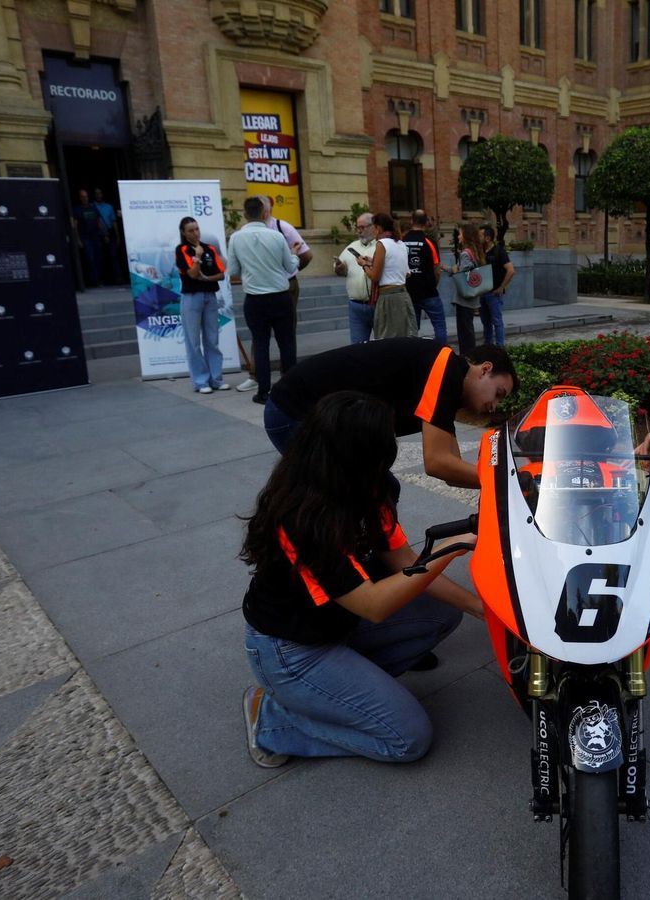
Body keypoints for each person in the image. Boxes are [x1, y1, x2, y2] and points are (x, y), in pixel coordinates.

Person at [240, 391, 484, 767]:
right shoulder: (304, 519)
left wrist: (485, 611)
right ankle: (273, 720)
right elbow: (373, 604)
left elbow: (404, 561)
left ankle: (340, 694)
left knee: (443, 612)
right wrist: (450, 547)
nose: (393, 446)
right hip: (293, 649)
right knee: (408, 739)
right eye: (384, 441)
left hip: (338, 625)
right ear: (356, 454)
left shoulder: (371, 488)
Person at [261, 339, 517, 488]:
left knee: (378, 491)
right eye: (499, 393)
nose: (495, 406)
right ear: (485, 369)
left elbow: (452, 469)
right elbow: (437, 463)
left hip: (317, 416)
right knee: (359, 492)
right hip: (294, 411)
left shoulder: (447, 380)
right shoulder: (446, 368)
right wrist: (508, 483)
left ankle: (370, 564)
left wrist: (502, 485)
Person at [228, 196, 302, 405]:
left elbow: (232, 271)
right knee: (286, 343)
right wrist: (294, 254)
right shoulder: (276, 237)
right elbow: (290, 267)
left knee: (260, 344)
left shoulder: (236, 238)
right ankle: (290, 389)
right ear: (264, 213)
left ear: (245, 214)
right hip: (280, 297)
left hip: (254, 299)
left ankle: (263, 391)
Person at [174, 216, 231, 394]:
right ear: (183, 232)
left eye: (197, 229)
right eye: (190, 230)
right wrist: (197, 257)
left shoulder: (209, 248)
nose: (195, 233)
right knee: (193, 341)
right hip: (192, 297)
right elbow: (191, 274)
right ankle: (201, 381)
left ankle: (216, 379)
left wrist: (206, 278)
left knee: (212, 339)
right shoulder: (181, 249)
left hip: (210, 296)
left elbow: (221, 274)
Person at [362, 213, 417, 339]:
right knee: (405, 337)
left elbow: (375, 276)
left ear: (379, 228)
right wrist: (374, 262)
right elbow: (406, 273)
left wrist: (364, 265)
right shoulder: (400, 244)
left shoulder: (381, 244)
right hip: (403, 296)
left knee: (387, 339)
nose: (373, 231)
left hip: (388, 298)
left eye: (373, 228)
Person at [257, 195, 312, 306]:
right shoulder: (247, 232)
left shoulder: (283, 227)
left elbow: (307, 255)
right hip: (260, 287)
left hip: (286, 284)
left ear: (266, 211)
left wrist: (291, 270)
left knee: (287, 321)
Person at [442, 223, 488, 353]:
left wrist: (456, 270)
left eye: (460, 233)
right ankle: (470, 355)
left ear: (466, 236)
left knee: (464, 332)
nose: (458, 236)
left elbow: (463, 273)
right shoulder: (475, 252)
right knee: (468, 328)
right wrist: (447, 268)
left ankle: (467, 358)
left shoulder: (465, 254)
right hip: (472, 298)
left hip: (464, 299)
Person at [334, 211, 379, 344]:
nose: (359, 231)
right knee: (357, 347)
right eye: (357, 228)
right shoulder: (351, 247)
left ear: (373, 226)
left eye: (362, 227)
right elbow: (340, 270)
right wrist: (339, 268)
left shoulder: (381, 245)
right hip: (356, 307)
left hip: (378, 304)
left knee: (382, 346)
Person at [403, 211, 447, 345]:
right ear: (426, 222)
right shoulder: (430, 242)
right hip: (429, 291)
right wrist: (434, 284)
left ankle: (413, 356)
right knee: (439, 325)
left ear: (411, 221)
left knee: (412, 330)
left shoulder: (402, 241)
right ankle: (441, 354)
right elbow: (437, 269)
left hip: (409, 291)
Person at [480, 225, 515, 345]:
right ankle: (488, 346)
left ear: (487, 238)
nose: (478, 238)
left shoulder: (499, 251)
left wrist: (501, 287)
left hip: (494, 293)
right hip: (482, 293)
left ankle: (500, 348)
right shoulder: (479, 251)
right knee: (485, 322)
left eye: (480, 235)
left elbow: (511, 270)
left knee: (497, 321)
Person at [72, 188, 107, 288]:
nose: (85, 198)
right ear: (80, 198)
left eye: (86, 196)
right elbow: (75, 227)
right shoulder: (77, 210)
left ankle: (100, 279)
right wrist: (78, 240)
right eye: (82, 197)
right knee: (90, 259)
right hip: (85, 238)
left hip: (96, 237)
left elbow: (99, 222)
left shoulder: (93, 208)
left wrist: (105, 234)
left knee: (99, 258)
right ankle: (94, 281)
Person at [92, 188, 122, 284]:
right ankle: (100, 279)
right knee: (99, 257)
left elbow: (113, 221)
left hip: (110, 233)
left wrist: (117, 235)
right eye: (96, 193)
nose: (98, 195)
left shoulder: (109, 207)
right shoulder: (92, 207)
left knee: (113, 256)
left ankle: (117, 278)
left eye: (100, 193)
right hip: (97, 234)